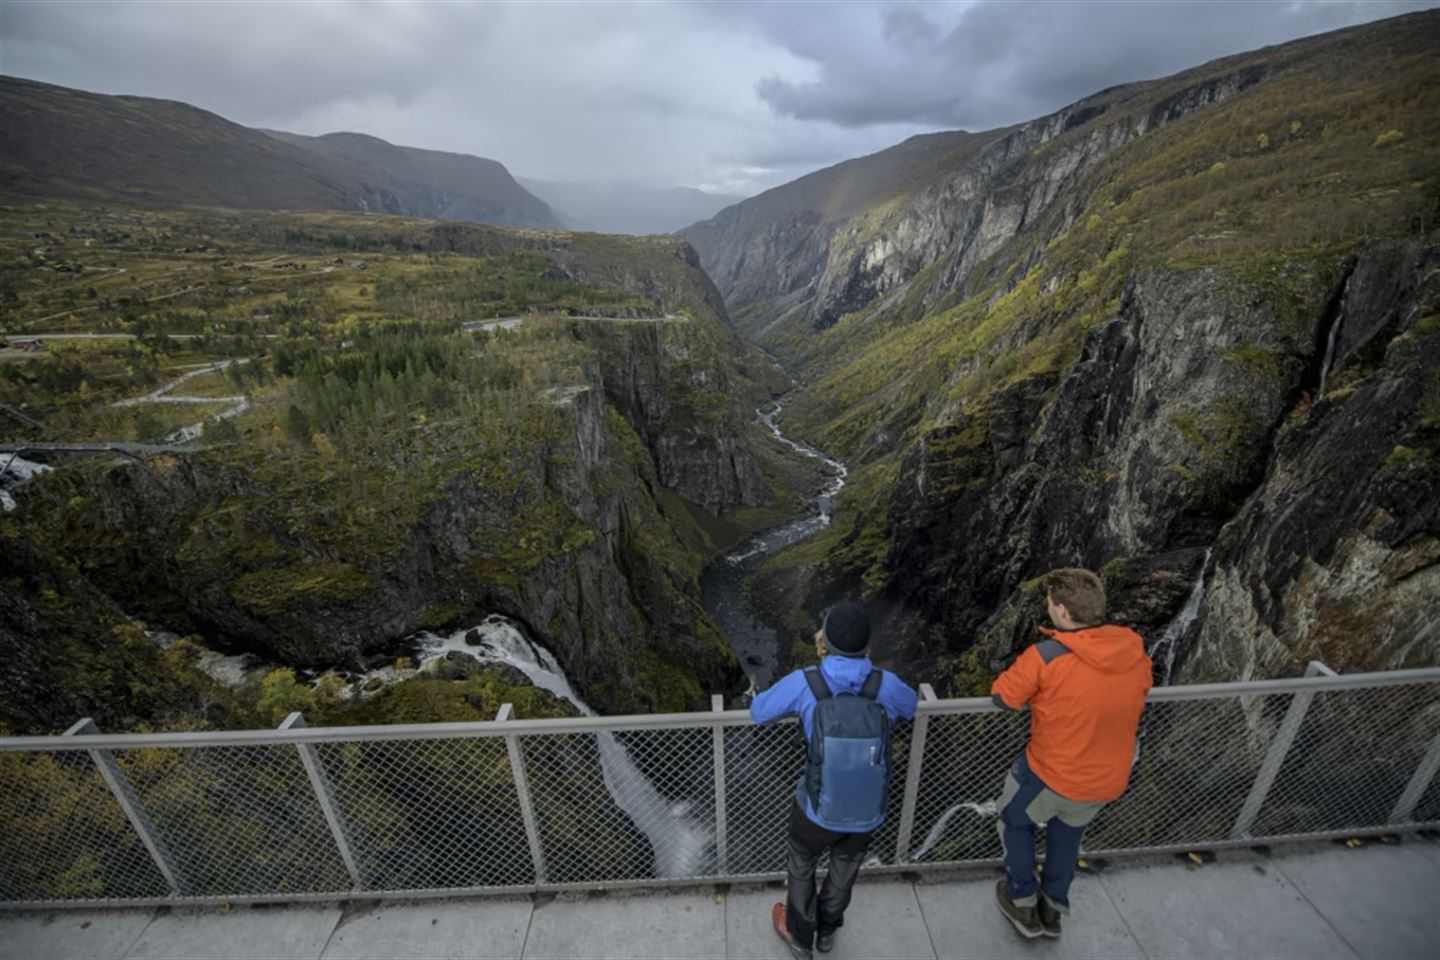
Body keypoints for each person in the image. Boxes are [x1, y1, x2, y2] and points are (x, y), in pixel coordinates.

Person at [750, 600, 919, 960]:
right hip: (867, 809)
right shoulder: (883, 685)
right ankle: (827, 933)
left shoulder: (806, 682)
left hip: (815, 806)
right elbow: (910, 705)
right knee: (844, 871)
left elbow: (759, 711)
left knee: (801, 864)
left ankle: (799, 935)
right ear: (866, 645)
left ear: (824, 639)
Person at [989, 567, 1152, 940]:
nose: (1048, 608)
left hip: (1051, 774)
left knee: (1013, 821)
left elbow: (1003, 697)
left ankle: (1023, 902)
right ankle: (1054, 907)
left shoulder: (1046, 656)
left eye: (1049, 602)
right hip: (1106, 780)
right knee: (1068, 838)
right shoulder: (1133, 651)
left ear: (1062, 611)